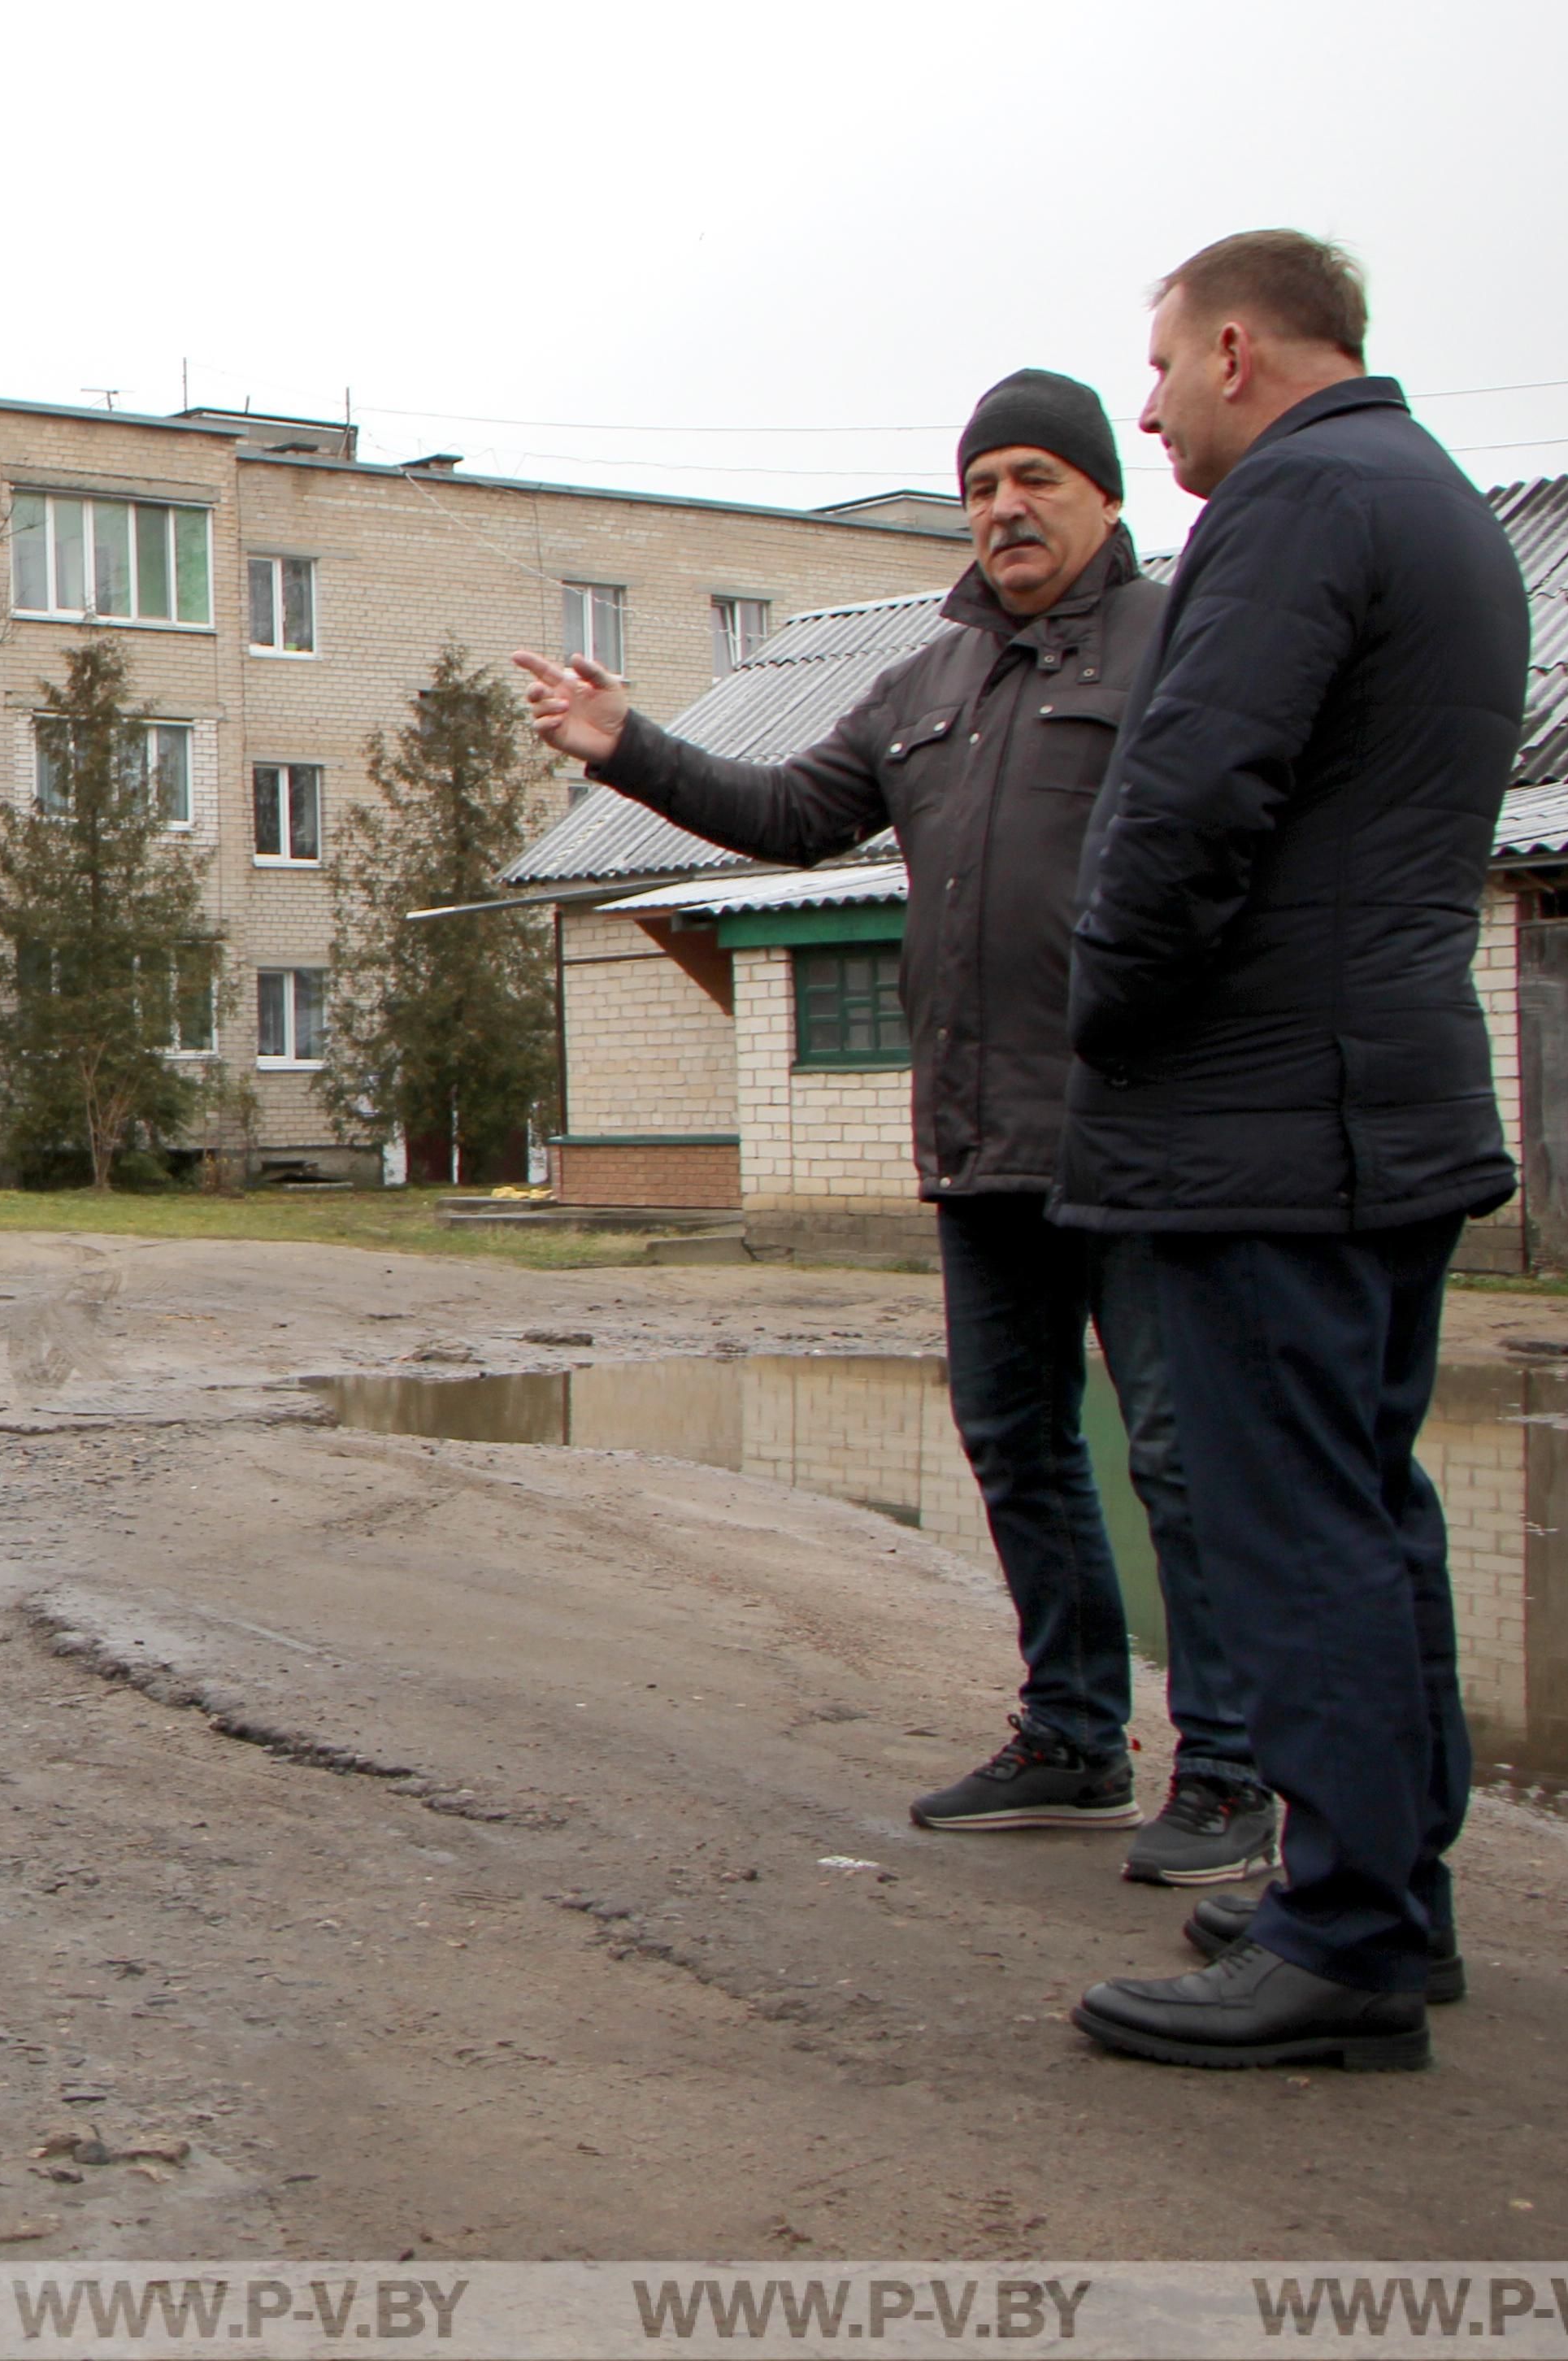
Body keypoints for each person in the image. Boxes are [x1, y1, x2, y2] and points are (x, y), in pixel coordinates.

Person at [513, 372, 1273, 1887]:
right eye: (985, 481)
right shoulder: (928, 682)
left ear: (1108, 497)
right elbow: (795, 812)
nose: (1005, 507)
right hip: (981, 1134)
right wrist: (626, 744)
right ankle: (1072, 1737)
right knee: (1017, 1441)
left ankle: (1237, 1770)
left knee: (1178, 1454)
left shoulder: (1177, 639)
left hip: (1138, 1128)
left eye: (1040, 477)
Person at [1049, 233, 1526, 2073]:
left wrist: (1109, 1006)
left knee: (1293, 1523)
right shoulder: (1437, 503)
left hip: (1267, 1115)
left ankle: (1342, 1942)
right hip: (1382, 1096)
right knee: (1371, 1505)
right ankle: (1392, 1888)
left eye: (1159, 369)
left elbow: (1189, 793)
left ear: (1238, 347)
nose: (1152, 403)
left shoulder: (1298, 499)